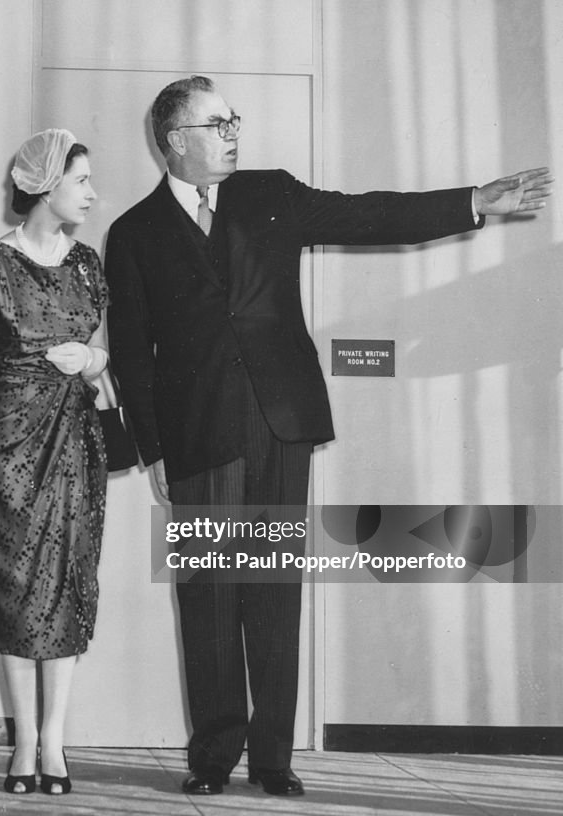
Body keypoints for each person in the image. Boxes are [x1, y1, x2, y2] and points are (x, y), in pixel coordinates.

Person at [104, 75, 552, 798]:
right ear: (173, 140)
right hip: (196, 433)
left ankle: (274, 760)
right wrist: (152, 447)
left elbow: (367, 215)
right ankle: (212, 756)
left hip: (281, 424)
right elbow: (130, 353)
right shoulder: (132, 232)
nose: (232, 133)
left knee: (275, 591)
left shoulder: (269, 193)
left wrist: (472, 202)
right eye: (215, 123)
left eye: (232, 120)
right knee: (209, 596)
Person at [0, 129, 106, 796]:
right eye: (81, 182)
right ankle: (23, 747)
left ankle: (55, 745)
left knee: (67, 585)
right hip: (9, 439)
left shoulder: (91, 263)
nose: (92, 194)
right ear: (43, 187)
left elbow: (106, 359)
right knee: (14, 586)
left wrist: (91, 360)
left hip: (75, 441)